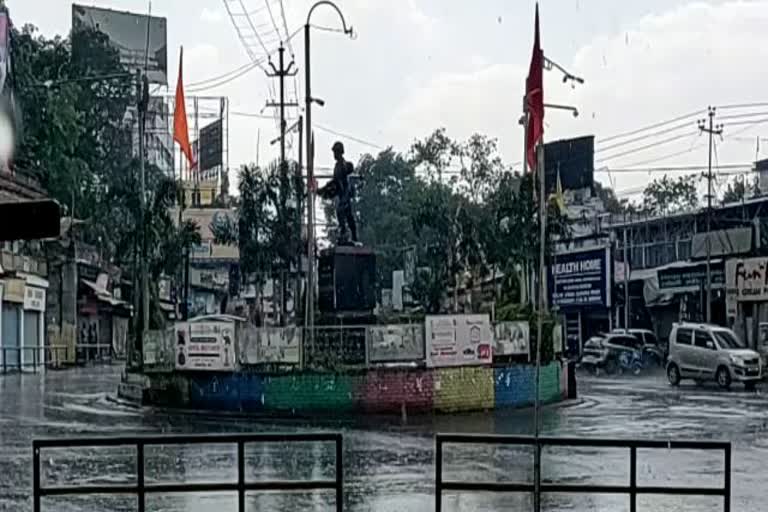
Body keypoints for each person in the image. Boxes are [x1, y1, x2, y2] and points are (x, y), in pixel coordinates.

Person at [320, 141, 358, 244]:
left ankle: (349, 234)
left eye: (336, 152)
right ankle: (347, 234)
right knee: (346, 215)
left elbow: (347, 173)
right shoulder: (337, 166)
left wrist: (345, 196)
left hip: (345, 193)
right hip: (341, 194)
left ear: (340, 152)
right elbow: (335, 182)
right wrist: (324, 189)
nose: (334, 154)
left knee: (343, 213)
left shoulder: (343, 164)